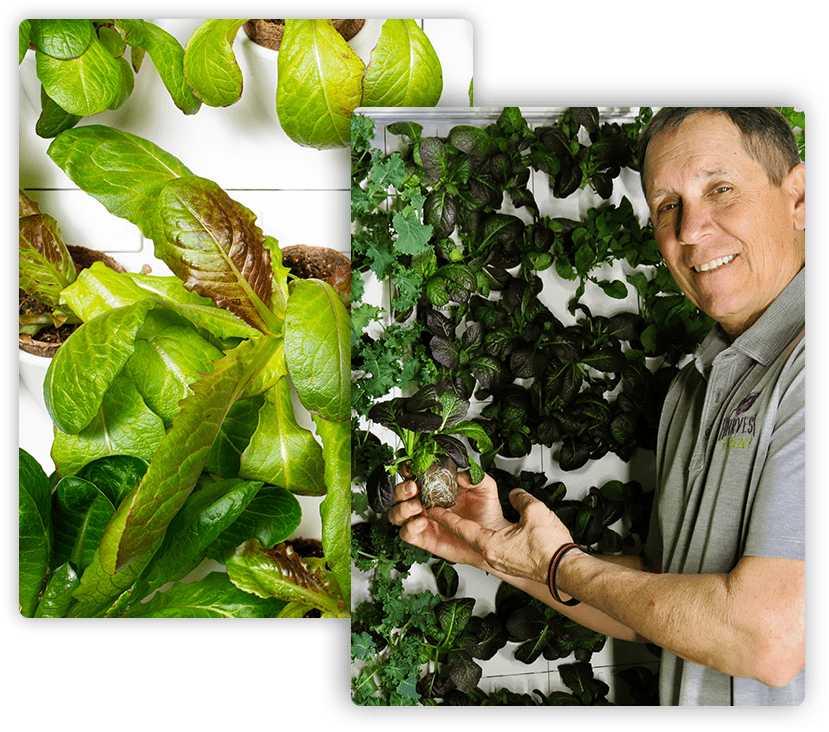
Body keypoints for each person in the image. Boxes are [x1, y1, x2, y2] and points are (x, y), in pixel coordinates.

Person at [388, 107, 805, 706]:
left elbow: (768, 641)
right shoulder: (697, 384)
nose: (689, 230)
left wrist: (557, 563)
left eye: (721, 189)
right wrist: (501, 549)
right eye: (667, 205)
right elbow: (661, 609)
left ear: (798, 197)